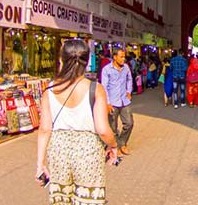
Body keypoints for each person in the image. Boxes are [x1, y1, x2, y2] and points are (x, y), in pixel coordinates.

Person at [36, 39, 118, 204]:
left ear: (61, 60)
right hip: (88, 152)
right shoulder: (95, 89)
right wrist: (113, 145)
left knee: (61, 200)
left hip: (58, 152)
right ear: (87, 61)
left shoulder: (50, 90)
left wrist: (40, 164)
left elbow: (44, 130)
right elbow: (102, 129)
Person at [100, 48, 134, 156]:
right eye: (121, 57)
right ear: (115, 57)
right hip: (112, 102)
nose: (123, 59)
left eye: (124, 57)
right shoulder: (106, 70)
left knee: (129, 123)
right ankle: (115, 147)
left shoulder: (126, 68)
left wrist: (129, 91)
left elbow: (130, 79)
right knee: (113, 127)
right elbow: (104, 87)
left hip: (124, 101)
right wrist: (108, 103)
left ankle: (122, 143)